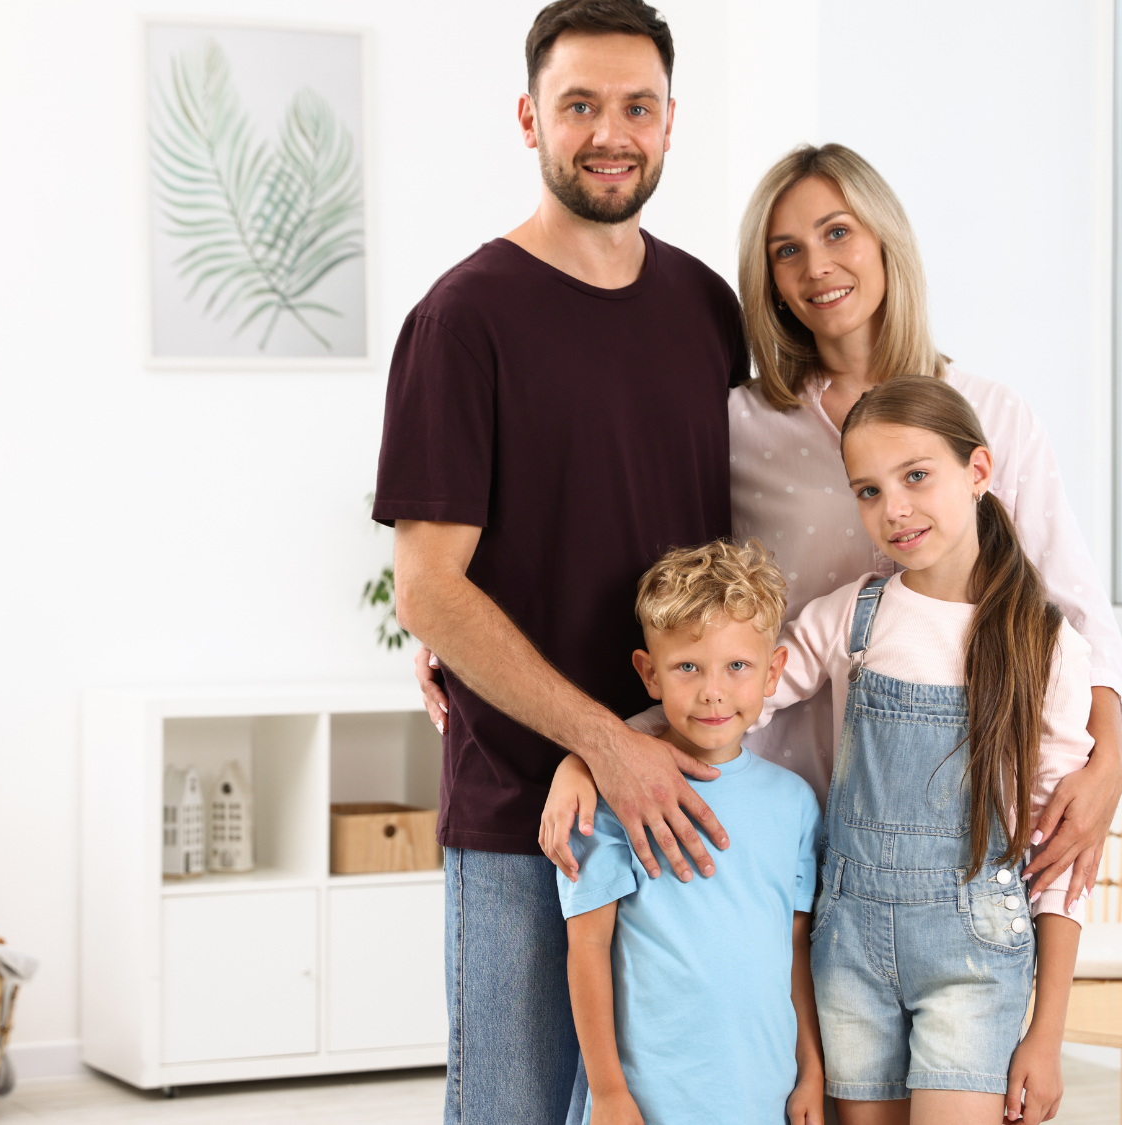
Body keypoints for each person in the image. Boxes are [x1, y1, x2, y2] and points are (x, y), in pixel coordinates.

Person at [540, 143, 1122, 910]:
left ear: (884, 238)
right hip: (766, 815)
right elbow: (650, 577)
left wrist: (1111, 754)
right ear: (770, 280)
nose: (817, 265)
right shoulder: (738, 425)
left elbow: (1076, 613)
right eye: (788, 251)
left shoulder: (990, 415)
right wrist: (584, 733)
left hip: (945, 836)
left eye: (838, 232)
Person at [370, 2, 743, 1121]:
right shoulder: (463, 319)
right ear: (530, 117)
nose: (609, 132)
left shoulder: (705, 307)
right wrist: (598, 741)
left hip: (685, 794)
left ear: (671, 123)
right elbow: (429, 584)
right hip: (528, 812)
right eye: (579, 105)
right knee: (514, 1108)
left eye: (636, 106)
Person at [788, 376, 1082, 1123]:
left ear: (978, 471)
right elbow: (726, 700)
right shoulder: (852, 618)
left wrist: (1046, 1035)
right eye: (868, 490)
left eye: (916, 475)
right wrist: (601, 748)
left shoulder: (1044, 645)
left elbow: (1064, 862)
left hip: (975, 958)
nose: (894, 509)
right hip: (849, 949)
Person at [559, 540, 824, 1125]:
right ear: (649, 674)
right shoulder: (610, 799)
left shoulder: (796, 805)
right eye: (687, 668)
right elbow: (586, 949)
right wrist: (607, 1092)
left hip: (766, 1093)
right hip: (651, 1102)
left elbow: (794, 949)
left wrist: (811, 1072)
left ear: (773, 671)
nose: (713, 691)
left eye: (737, 666)